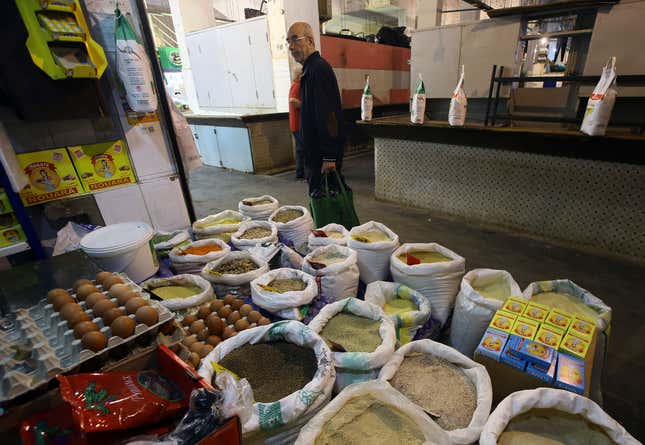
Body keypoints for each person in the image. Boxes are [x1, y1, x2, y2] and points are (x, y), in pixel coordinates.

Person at [287, 22, 345, 194]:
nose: (291, 46)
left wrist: (329, 156)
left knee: (327, 205)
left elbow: (328, 114)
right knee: (322, 203)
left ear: (310, 41)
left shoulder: (317, 69)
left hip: (322, 157)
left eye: (295, 40)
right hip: (315, 154)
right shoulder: (309, 69)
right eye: (288, 41)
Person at [288, 67, 305, 179]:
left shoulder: (296, 85)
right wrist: (305, 105)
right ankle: (304, 173)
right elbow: (292, 100)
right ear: (300, 75)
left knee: (300, 149)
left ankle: (300, 173)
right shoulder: (297, 85)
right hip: (298, 124)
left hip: (295, 124)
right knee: (304, 148)